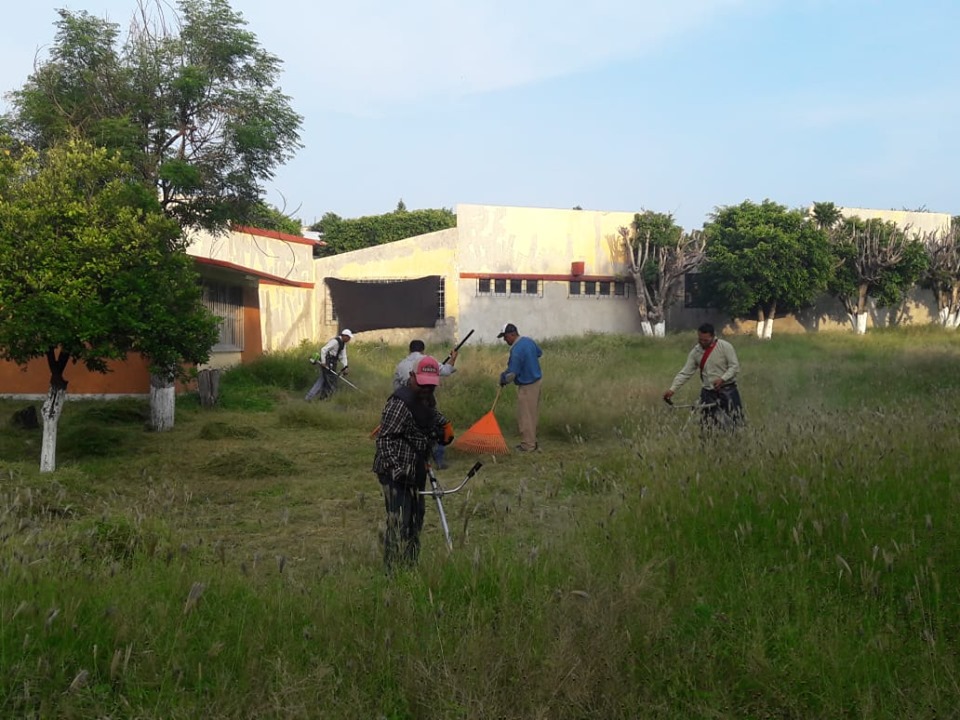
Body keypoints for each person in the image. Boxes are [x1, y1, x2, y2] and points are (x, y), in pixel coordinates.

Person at [373, 356, 454, 571]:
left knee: (416, 520)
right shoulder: (399, 403)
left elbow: (431, 415)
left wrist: (444, 426)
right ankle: (393, 572)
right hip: (395, 471)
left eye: (431, 384)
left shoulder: (426, 398)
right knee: (400, 521)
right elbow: (384, 440)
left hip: (416, 469)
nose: (427, 388)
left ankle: (410, 566)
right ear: (411, 377)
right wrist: (397, 471)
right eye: (422, 383)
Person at [663, 322, 744, 429]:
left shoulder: (725, 347)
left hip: (728, 391)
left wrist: (722, 379)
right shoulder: (696, 352)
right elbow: (685, 372)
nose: (702, 342)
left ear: (713, 336)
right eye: (700, 339)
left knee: (735, 423)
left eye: (705, 340)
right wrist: (672, 389)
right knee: (707, 425)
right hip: (708, 393)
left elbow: (734, 367)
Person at [393, 340, 458, 469]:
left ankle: (410, 459)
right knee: (437, 427)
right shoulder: (428, 361)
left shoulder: (400, 365)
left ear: (409, 350)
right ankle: (438, 460)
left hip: (404, 403)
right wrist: (453, 358)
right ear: (423, 350)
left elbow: (395, 387)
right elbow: (447, 370)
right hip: (425, 402)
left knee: (408, 432)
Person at [497, 322, 543, 452]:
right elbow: (539, 353)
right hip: (537, 381)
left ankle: (528, 445)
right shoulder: (529, 341)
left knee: (526, 416)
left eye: (505, 337)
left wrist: (503, 379)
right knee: (532, 414)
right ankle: (532, 441)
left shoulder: (516, 350)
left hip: (527, 385)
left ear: (512, 334)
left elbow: (512, 374)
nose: (505, 340)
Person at [305, 329, 352, 401]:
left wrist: (345, 366)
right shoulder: (335, 341)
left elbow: (343, 356)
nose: (349, 339)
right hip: (327, 361)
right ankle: (309, 397)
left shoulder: (343, 344)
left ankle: (323, 397)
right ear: (344, 336)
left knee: (329, 380)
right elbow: (323, 350)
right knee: (323, 379)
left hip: (333, 363)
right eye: (349, 337)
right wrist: (323, 362)